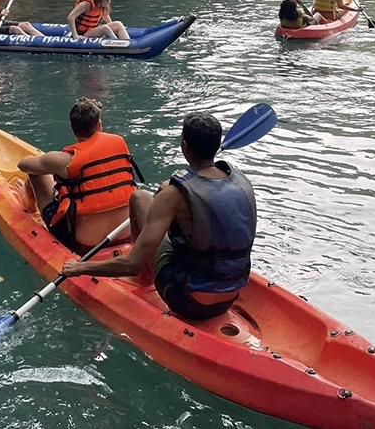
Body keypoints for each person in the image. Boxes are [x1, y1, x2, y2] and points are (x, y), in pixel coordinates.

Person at [60, 113, 256, 321]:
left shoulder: (174, 196)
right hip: (231, 295)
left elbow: (132, 264)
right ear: (216, 146)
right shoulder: (241, 181)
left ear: (184, 146)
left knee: (139, 198)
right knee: (145, 201)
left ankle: (141, 279)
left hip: (188, 300)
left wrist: (80, 267)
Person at [17, 97, 137, 250]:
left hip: (85, 244)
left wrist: (51, 162)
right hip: (126, 233)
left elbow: (23, 165)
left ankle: (29, 205)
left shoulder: (65, 160)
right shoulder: (120, 143)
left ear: (72, 128)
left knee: (35, 172)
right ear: (99, 125)